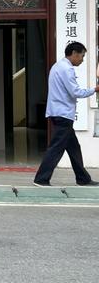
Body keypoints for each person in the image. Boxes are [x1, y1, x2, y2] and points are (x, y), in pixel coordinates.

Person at [33, 41, 99, 187]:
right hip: (63, 114)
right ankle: (41, 179)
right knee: (56, 147)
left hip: (57, 112)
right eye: (82, 56)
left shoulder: (57, 66)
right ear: (74, 54)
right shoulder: (67, 69)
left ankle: (83, 178)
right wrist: (94, 90)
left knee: (74, 147)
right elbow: (75, 92)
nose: (82, 60)